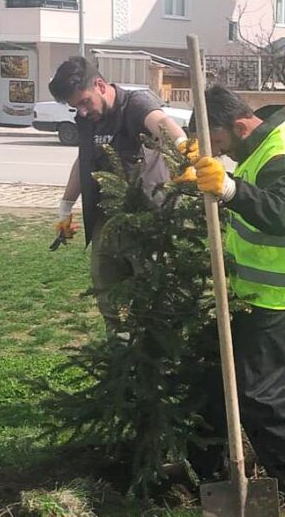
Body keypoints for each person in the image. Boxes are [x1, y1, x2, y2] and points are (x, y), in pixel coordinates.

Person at [182, 86, 285, 517]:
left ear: (239, 124)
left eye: (221, 142)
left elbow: (281, 215)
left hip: (281, 296)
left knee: (261, 396)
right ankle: (212, 476)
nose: (223, 153)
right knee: (215, 380)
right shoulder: (262, 143)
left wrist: (230, 190)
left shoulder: (283, 156)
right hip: (252, 293)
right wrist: (204, 180)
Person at [49, 56, 189, 335]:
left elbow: (161, 121)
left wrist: (185, 149)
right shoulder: (86, 119)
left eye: (85, 102)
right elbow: (83, 160)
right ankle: (120, 348)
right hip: (106, 221)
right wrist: (65, 208)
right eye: (76, 106)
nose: (83, 111)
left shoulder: (135, 105)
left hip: (148, 221)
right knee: (107, 288)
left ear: (100, 85)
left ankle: (157, 347)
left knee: (153, 291)